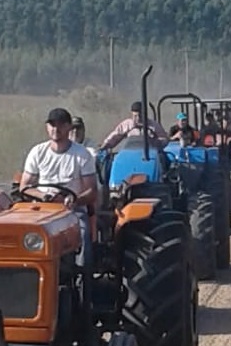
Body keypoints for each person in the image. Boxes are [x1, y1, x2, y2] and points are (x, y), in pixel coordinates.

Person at [19, 107, 97, 270]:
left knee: (83, 233)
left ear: (69, 127)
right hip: (42, 209)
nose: (56, 129)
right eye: (52, 124)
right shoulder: (37, 152)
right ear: (47, 127)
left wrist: (75, 199)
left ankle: (83, 275)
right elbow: (24, 187)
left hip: (71, 211)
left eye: (60, 124)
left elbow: (92, 191)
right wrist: (42, 196)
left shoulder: (82, 155)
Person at [100, 101, 168, 151]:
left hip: (149, 153)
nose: (138, 118)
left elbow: (164, 139)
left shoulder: (153, 125)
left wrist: (156, 143)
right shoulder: (127, 124)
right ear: (132, 114)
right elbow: (115, 135)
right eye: (135, 116)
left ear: (145, 114)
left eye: (140, 115)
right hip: (130, 152)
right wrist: (105, 145)